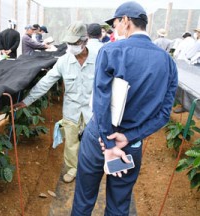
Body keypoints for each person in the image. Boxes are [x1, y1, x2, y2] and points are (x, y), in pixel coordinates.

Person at [71, 1, 178, 215]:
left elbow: (101, 102)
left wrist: (109, 143)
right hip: (130, 144)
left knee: (84, 200)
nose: (115, 29)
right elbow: (164, 113)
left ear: (126, 21)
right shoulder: (167, 62)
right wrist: (130, 137)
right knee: (119, 205)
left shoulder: (111, 51)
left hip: (98, 141)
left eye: (116, 23)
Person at [14, 21, 97, 183]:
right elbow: (46, 82)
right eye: (69, 43)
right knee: (71, 143)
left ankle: (90, 171)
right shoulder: (64, 61)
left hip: (92, 112)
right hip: (71, 110)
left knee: (92, 144)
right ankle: (73, 169)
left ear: (85, 41)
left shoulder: (99, 58)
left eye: (75, 43)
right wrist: (27, 101)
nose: (71, 46)